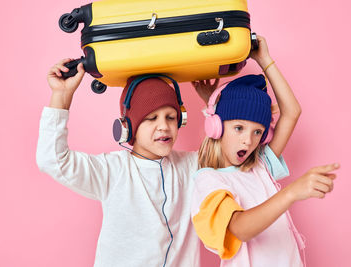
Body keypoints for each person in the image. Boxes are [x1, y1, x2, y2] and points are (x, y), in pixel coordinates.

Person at [36, 60, 218, 267]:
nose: (164, 126)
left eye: (170, 117)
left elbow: (230, 149)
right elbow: (51, 159)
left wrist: (213, 105)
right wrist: (61, 96)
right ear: (128, 127)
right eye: (151, 118)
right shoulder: (112, 171)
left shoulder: (191, 166)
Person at [191, 36, 340, 267]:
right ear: (216, 127)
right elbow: (239, 228)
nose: (248, 141)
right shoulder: (209, 180)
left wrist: (266, 61)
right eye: (238, 128)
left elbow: (292, 111)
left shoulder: (260, 165)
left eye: (258, 132)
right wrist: (290, 193)